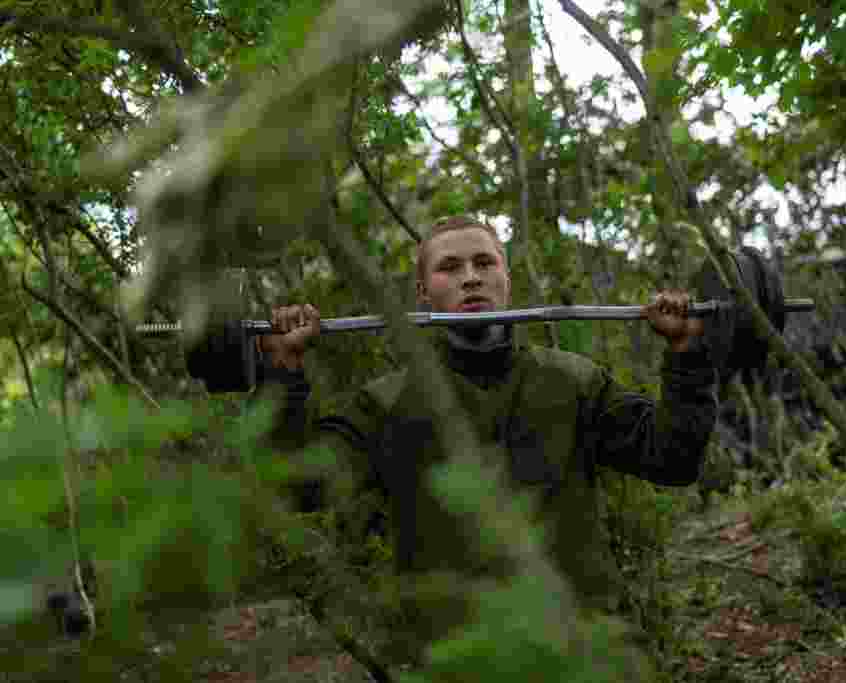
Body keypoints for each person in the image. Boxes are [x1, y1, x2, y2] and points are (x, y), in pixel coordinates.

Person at [197, 215, 718, 672]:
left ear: (506, 280)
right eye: (449, 268)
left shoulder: (575, 382)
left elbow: (672, 459)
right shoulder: (386, 403)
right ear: (423, 293)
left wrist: (688, 354)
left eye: (484, 262)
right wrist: (283, 375)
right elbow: (298, 489)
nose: (471, 277)